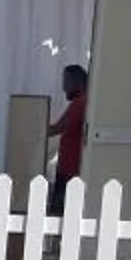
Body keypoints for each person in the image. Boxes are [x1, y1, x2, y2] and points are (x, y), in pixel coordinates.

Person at [47, 65, 91, 204]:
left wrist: (32, 127)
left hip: (70, 170)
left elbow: (57, 128)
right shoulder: (84, 102)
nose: (64, 87)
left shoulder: (80, 103)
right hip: (73, 168)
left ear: (77, 81)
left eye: (66, 81)